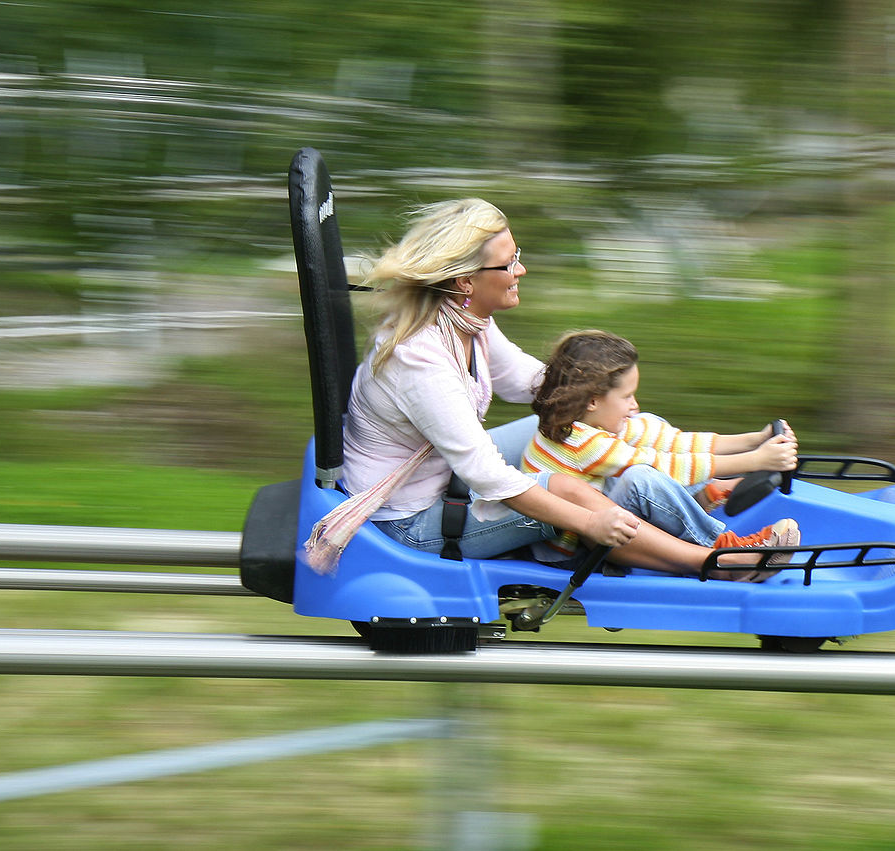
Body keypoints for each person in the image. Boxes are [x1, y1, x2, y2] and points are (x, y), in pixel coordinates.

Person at [337, 198, 794, 580]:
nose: (522, 268)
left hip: (442, 474)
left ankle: (679, 488)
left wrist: (609, 401)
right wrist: (594, 520)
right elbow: (490, 479)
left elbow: (538, 385)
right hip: (407, 520)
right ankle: (718, 560)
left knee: (598, 422)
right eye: (509, 261)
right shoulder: (420, 360)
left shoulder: (466, 322)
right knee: (570, 492)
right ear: (465, 282)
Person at [522, 329, 801, 562]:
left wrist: (754, 440)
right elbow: (661, 467)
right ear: (592, 401)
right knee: (641, 478)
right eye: (627, 396)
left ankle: (705, 492)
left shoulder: (582, 422)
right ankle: (725, 549)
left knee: (648, 423)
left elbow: (671, 442)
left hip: (595, 521)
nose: (634, 404)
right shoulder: (584, 443)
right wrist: (755, 461)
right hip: (572, 550)